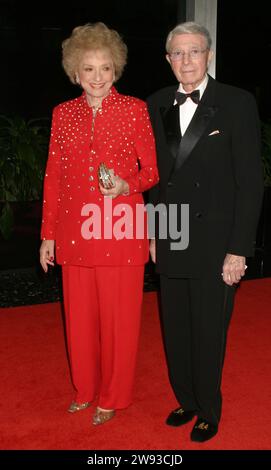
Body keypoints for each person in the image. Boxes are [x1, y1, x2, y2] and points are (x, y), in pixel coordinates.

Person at [147, 21, 263, 442]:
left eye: (194, 51)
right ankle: (187, 399)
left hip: (216, 241)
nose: (186, 60)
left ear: (208, 55)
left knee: (209, 329)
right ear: (168, 60)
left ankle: (209, 408)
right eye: (178, 53)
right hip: (173, 234)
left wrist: (239, 249)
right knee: (175, 326)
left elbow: (250, 182)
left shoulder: (236, 102)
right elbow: (157, 180)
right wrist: (155, 234)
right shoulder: (156, 102)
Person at [40, 22, 158, 425]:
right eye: (88, 69)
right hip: (74, 233)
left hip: (121, 228)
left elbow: (153, 172)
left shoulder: (135, 109)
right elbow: (53, 176)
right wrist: (47, 235)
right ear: (75, 72)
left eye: (104, 68)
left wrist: (127, 184)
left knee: (120, 323)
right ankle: (85, 390)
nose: (97, 77)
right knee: (79, 322)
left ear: (116, 70)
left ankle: (113, 395)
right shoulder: (63, 113)